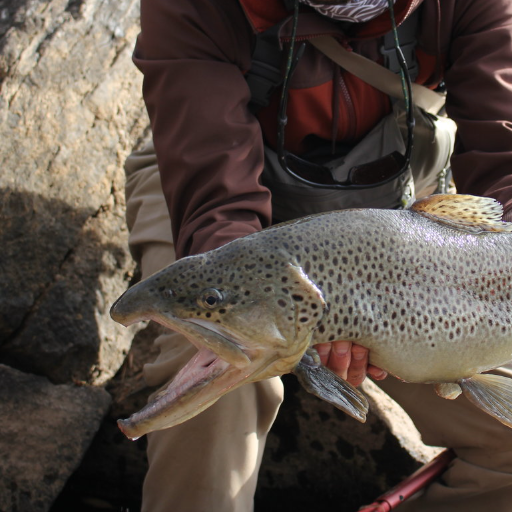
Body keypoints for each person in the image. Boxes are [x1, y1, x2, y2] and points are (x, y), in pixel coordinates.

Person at [123, 0, 512, 511]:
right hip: (211, 186)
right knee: (215, 371)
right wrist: (275, 315)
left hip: (389, 218)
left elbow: (504, 158)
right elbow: (215, 193)